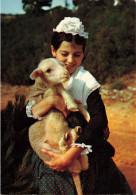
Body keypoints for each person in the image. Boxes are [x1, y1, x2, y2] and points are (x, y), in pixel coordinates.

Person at [26, 17, 132, 194]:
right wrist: (51, 101)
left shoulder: (85, 80)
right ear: (54, 51)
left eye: (77, 55)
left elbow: (99, 119)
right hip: (51, 146)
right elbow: (26, 116)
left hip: (81, 149)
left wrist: (70, 156)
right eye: (64, 54)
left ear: (83, 54)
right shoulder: (45, 75)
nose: (70, 61)